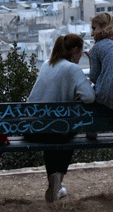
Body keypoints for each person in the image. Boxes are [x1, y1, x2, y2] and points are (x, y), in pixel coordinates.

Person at [25, 33, 95, 203]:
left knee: (52, 130)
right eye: (81, 52)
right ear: (75, 50)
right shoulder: (73, 69)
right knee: (67, 132)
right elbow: (90, 97)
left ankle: (53, 182)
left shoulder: (47, 64)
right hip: (54, 130)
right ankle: (57, 183)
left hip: (31, 128)